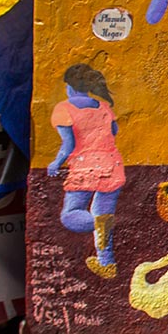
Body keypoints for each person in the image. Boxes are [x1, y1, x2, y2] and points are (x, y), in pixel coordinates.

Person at [47, 64, 125, 279]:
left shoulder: (63, 108)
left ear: (70, 87)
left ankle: (96, 223)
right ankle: (106, 263)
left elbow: (68, 145)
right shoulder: (103, 107)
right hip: (112, 165)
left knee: (71, 214)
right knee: (103, 215)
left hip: (85, 167)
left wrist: (56, 163)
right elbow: (114, 131)